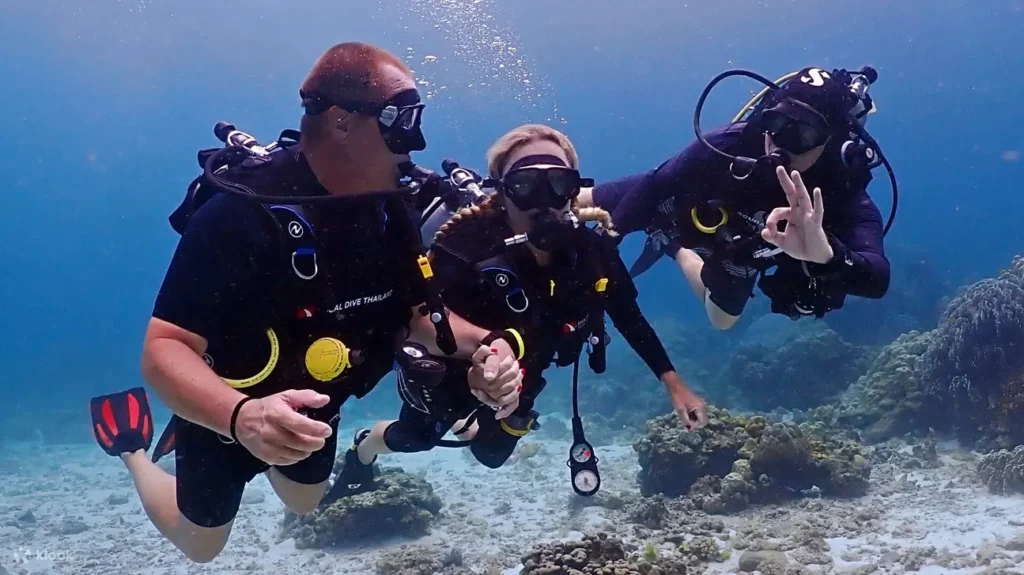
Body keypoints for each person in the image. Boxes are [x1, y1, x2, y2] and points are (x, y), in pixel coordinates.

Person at [87, 42, 524, 563]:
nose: (416, 143)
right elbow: (163, 349)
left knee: (305, 501)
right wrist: (242, 418)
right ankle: (135, 450)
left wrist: (488, 348)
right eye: (401, 122)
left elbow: (416, 317)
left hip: (315, 399)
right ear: (342, 122)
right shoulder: (240, 214)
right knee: (201, 545)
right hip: (228, 402)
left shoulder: (391, 212)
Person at [326, 124, 709, 500]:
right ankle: (364, 447)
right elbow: (415, 317)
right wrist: (486, 349)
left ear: (574, 191)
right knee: (417, 438)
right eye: (526, 186)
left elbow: (630, 317)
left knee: (490, 455)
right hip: (451, 364)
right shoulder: (464, 241)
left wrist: (675, 386)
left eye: (558, 185)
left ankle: (468, 425)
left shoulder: (592, 252)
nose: (543, 202)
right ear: (503, 191)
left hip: (527, 366)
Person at [579, 66, 893, 330]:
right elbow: (656, 184)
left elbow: (878, 279)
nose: (780, 143)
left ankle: (672, 247)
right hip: (685, 204)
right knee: (575, 198)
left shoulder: (841, 194)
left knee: (722, 321)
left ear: (832, 142)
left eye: (803, 133)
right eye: (776, 123)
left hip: (740, 254)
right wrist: (603, 246)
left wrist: (829, 256)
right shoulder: (731, 142)